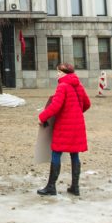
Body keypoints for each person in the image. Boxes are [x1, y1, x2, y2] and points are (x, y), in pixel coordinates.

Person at [37, 63, 91, 196]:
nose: (57, 74)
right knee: (74, 154)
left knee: (56, 153)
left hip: (64, 125)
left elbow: (55, 106)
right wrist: (76, 112)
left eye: (59, 72)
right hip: (77, 124)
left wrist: (42, 117)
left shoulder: (62, 86)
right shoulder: (78, 85)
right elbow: (87, 103)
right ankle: (75, 187)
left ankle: (51, 187)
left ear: (65, 73)